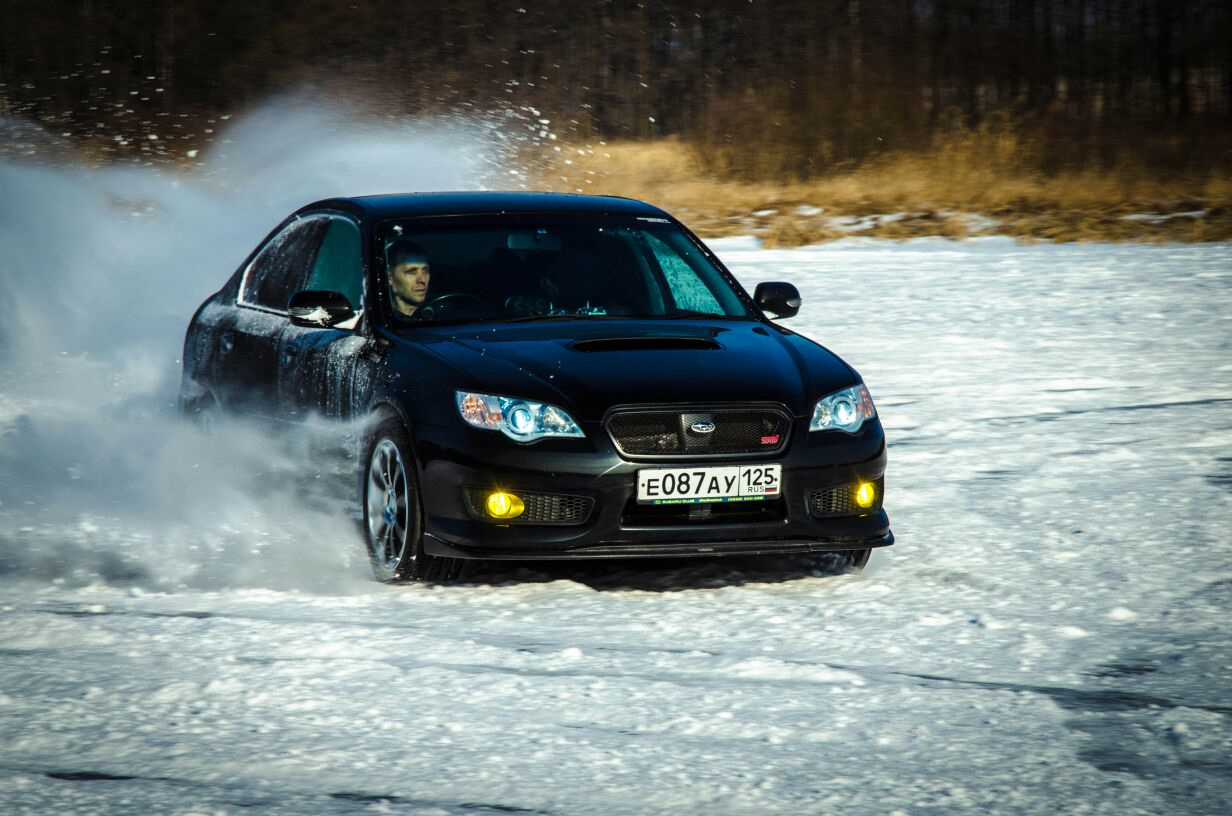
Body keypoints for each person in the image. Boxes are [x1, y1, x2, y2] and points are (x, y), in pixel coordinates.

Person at [386, 239, 431, 317]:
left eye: (425, 271)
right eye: (411, 272)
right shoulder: (379, 320)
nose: (422, 280)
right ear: (390, 278)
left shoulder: (442, 313)